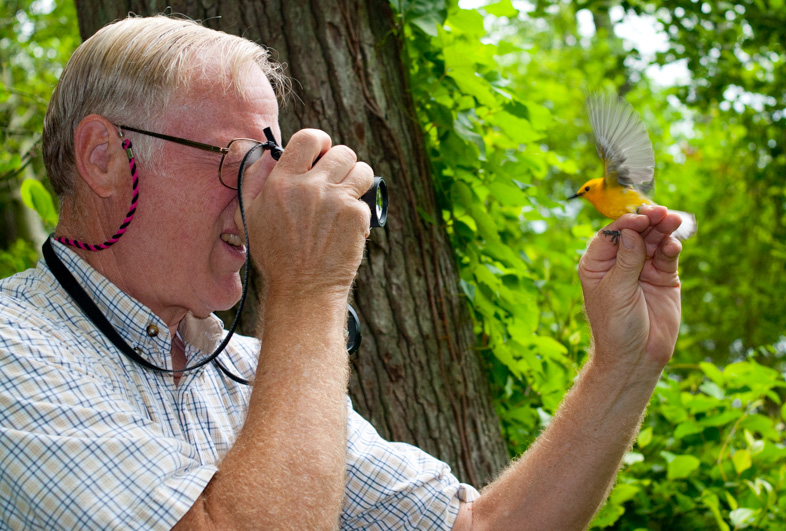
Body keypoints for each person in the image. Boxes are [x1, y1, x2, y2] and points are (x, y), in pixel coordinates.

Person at [0, 15, 686, 530]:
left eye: (271, 165)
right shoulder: (15, 344)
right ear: (103, 156)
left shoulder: (250, 372)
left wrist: (623, 363)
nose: (263, 196)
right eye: (236, 159)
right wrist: (307, 290)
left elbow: (482, 528)